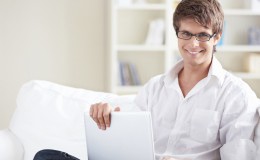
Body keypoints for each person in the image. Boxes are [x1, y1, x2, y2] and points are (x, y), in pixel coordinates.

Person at [33, 0, 260, 160]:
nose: (193, 44)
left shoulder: (236, 95)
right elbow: (129, 141)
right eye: (186, 34)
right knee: (46, 156)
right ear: (177, 34)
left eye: (202, 35)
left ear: (217, 37)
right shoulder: (155, 87)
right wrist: (108, 119)